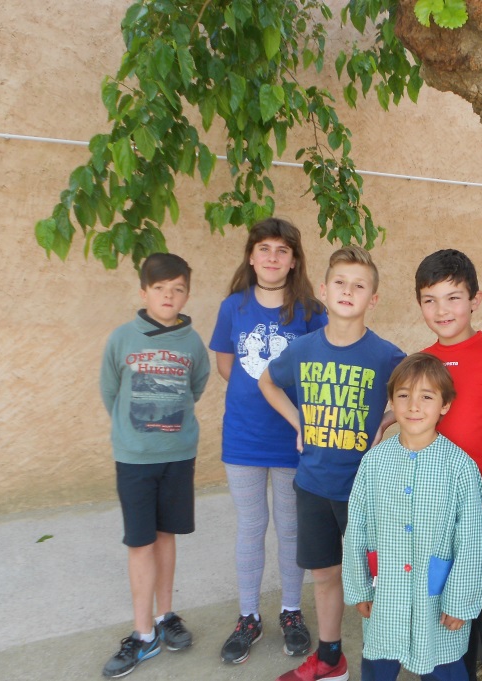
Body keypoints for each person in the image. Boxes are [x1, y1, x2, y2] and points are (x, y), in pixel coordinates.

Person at [259, 245, 405, 681]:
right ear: (323, 290)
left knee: (376, 579)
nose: (348, 291)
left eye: (359, 286)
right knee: (325, 575)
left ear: (373, 300)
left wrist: (385, 421)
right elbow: (267, 381)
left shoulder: (386, 355)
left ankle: (384, 660)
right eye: (340, 282)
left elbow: (417, 394)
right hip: (314, 484)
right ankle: (330, 659)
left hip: (364, 489)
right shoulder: (303, 350)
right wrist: (298, 421)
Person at [209, 218, 328, 664]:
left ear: (294, 260)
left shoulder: (310, 311)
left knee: (291, 528)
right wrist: (257, 395)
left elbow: (320, 365)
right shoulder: (233, 307)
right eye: (264, 249)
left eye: (282, 250)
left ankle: (291, 611)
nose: (273, 257)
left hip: (293, 438)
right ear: (251, 256)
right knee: (251, 526)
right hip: (243, 437)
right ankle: (248, 616)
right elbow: (227, 365)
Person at [414, 249, 482, 681]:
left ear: (475, 300)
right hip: (437, 512)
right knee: (448, 618)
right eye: (430, 300)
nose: (442, 310)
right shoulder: (421, 363)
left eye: (453, 298)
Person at [343, 353, 482, 681]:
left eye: (426, 397)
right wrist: (360, 588)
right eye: (403, 395)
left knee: (443, 668)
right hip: (385, 594)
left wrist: (460, 602)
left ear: (444, 405)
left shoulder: (459, 467)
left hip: (435, 602)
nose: (413, 406)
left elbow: (471, 541)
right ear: (391, 402)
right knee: (378, 666)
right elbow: (357, 528)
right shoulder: (374, 462)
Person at [99, 252, 211, 678]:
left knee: (166, 536)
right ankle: (143, 633)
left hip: (177, 456)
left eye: (178, 289)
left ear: (187, 294)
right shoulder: (122, 339)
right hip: (135, 459)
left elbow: (194, 387)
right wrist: (136, 433)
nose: (169, 296)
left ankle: (166, 616)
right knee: (140, 542)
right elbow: (111, 391)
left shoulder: (192, 343)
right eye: (160, 288)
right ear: (144, 291)